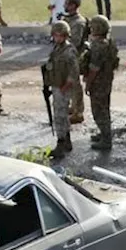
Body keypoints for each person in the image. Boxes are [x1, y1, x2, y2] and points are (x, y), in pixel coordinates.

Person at [83, 15, 118, 150]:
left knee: (99, 111)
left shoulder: (98, 46)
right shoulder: (108, 43)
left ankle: (106, 140)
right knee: (104, 108)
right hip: (106, 81)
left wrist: (88, 83)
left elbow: (94, 68)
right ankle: (104, 134)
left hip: (98, 83)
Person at [45, 20, 79, 159]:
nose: (57, 38)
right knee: (61, 115)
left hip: (63, 88)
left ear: (66, 35)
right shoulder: (57, 49)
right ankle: (66, 140)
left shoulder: (69, 51)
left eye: (60, 35)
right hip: (57, 86)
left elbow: (74, 71)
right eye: (55, 35)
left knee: (60, 116)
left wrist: (66, 87)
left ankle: (61, 143)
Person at [61, 0, 89, 125]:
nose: (64, 5)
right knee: (71, 84)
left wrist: (63, 34)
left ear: (73, 5)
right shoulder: (69, 19)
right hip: (68, 56)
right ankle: (74, 107)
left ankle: (79, 113)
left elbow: (76, 42)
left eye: (66, 3)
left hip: (75, 57)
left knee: (75, 85)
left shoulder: (78, 22)